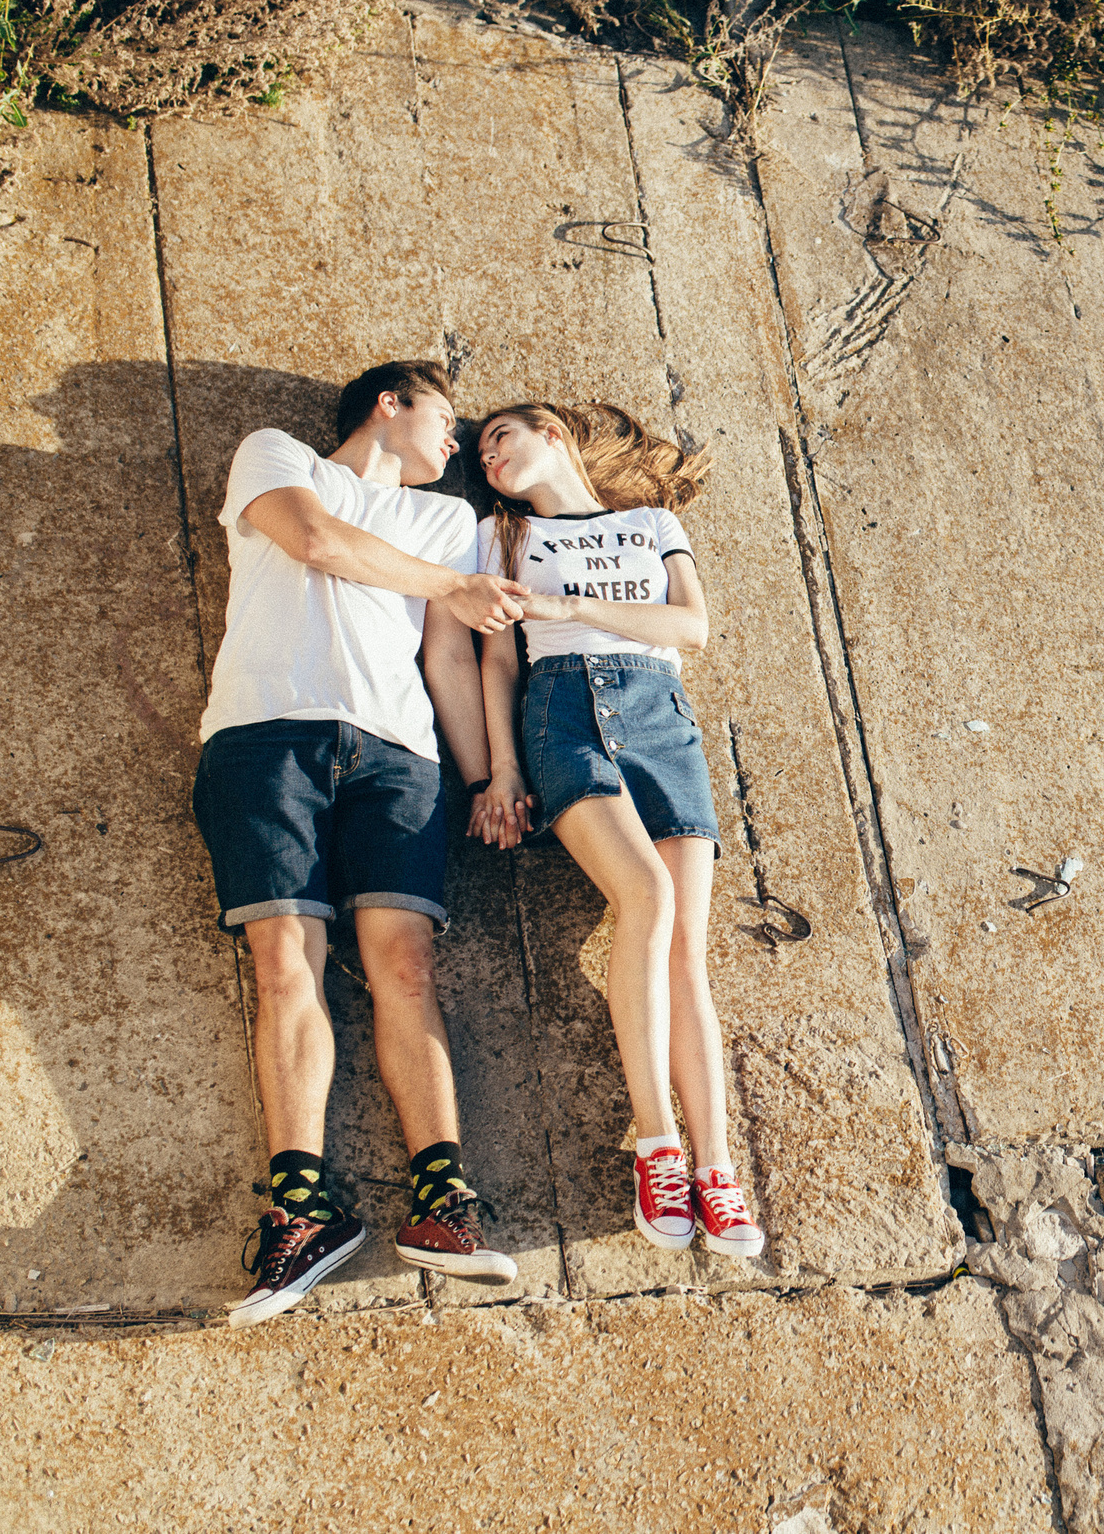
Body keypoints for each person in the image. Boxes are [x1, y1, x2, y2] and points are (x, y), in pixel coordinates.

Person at [191, 360, 527, 1326]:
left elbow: (446, 657)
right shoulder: (278, 456)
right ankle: (302, 1212)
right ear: (391, 402)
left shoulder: (447, 520)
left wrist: (488, 774)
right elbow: (315, 540)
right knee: (286, 963)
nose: (458, 443)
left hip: (398, 759)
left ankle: (443, 1202)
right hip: (267, 736)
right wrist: (455, 584)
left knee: (406, 966)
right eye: (448, 418)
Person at [468, 401, 766, 1258]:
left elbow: (691, 627)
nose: (489, 458)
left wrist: (563, 599)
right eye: (482, 452)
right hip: (562, 713)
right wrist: (504, 769)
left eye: (502, 439)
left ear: (553, 434)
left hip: (663, 716)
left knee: (687, 950)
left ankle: (718, 1167)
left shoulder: (650, 521)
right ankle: (657, 1143)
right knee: (645, 897)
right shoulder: (502, 536)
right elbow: (496, 656)